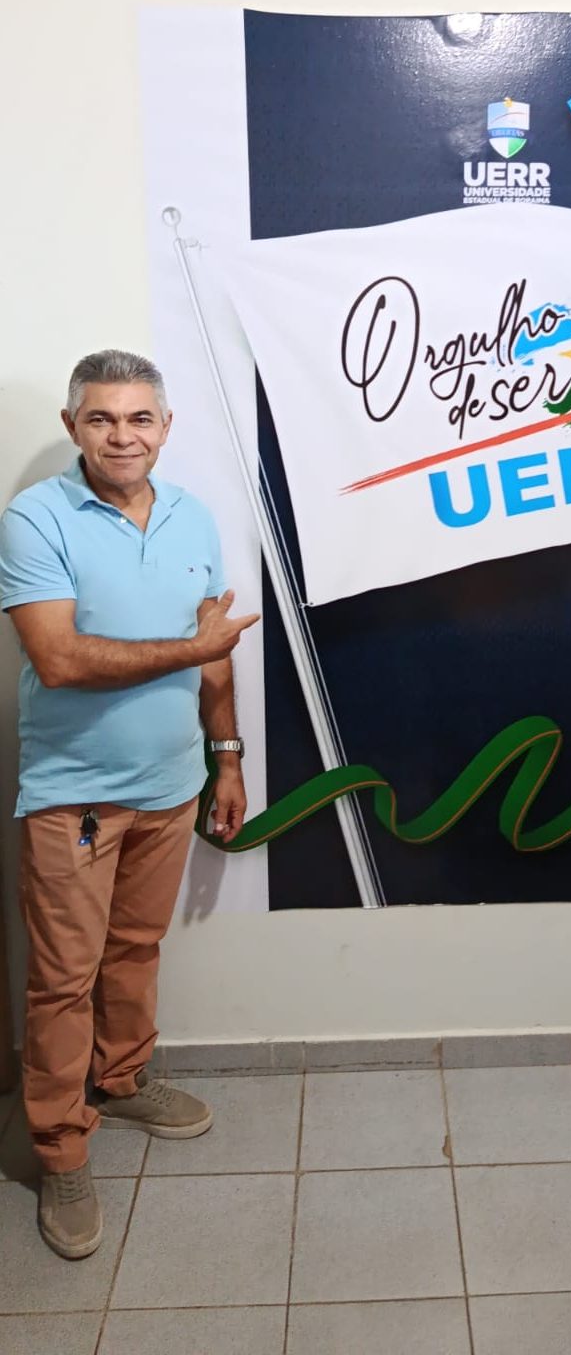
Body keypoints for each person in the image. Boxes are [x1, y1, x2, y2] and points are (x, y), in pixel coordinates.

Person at [0, 349, 260, 1260]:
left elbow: (215, 650)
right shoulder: (36, 517)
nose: (122, 436)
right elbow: (60, 658)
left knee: (136, 949)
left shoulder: (192, 516)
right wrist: (192, 651)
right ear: (73, 426)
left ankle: (121, 1079)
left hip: (170, 786)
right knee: (62, 980)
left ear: (165, 427)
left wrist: (226, 758)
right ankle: (61, 1149)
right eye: (102, 418)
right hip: (74, 795)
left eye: (139, 418)